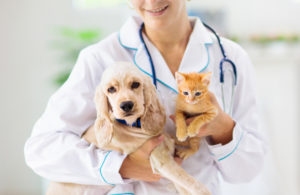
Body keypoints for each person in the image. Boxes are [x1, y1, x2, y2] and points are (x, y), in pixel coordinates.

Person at [24, 0, 267, 194]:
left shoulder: (230, 58)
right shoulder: (100, 59)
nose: (151, 1)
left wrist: (223, 127)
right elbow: (41, 150)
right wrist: (122, 166)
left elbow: (247, 170)